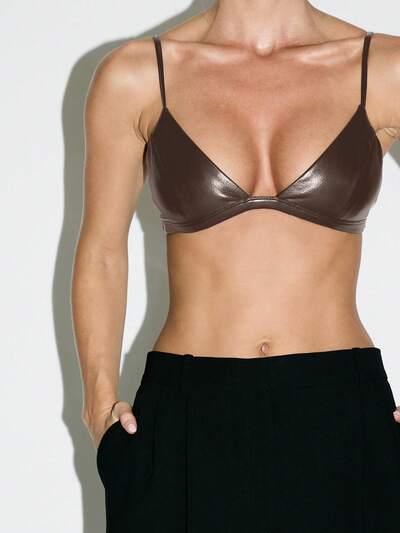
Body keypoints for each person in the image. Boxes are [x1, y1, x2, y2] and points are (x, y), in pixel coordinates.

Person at [71, 1, 400, 531]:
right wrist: (98, 404)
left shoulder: (384, 68)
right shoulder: (137, 75)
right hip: (184, 416)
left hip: (341, 410)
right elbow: (103, 251)